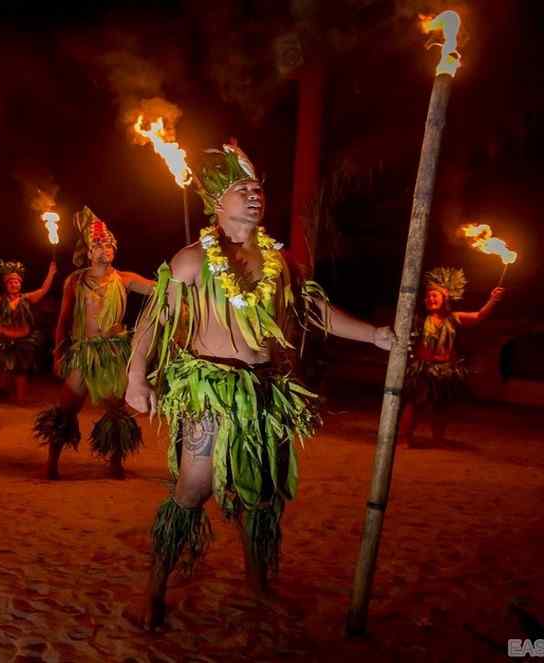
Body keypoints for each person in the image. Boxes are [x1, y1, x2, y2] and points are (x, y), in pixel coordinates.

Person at [124, 142, 395, 629]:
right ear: (216, 202)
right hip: (211, 388)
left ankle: (257, 584)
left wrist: (374, 335)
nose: (254, 196)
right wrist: (135, 376)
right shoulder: (191, 261)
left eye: (257, 189)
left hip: (266, 391)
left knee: (262, 494)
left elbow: (314, 312)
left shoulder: (282, 263)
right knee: (192, 489)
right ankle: (153, 590)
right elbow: (153, 321)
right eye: (241, 189)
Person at [33, 208, 154, 479]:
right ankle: (52, 462)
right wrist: (57, 353)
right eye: (98, 245)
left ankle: (115, 462)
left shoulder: (125, 279)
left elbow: (159, 288)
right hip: (83, 351)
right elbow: (63, 320)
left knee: (115, 412)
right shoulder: (75, 281)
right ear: (88, 252)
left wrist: (180, 277)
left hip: (113, 351)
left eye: (109, 245)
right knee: (66, 409)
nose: (104, 249)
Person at [399, 267, 503, 447]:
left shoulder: (454, 318)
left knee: (441, 406)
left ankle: (438, 439)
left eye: (435, 296)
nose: (431, 299)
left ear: (445, 297)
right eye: (429, 296)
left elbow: (479, 316)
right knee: (412, 404)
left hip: (445, 369)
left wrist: (492, 300)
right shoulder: (420, 320)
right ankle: (403, 438)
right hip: (422, 368)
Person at [0, 259, 56, 403]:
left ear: (20, 284)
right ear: (6, 285)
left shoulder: (26, 298)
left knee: (21, 371)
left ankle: (20, 399)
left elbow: (43, 290)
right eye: (10, 282)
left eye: (16, 282)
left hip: (23, 340)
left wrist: (51, 273)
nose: (14, 284)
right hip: (2, 339)